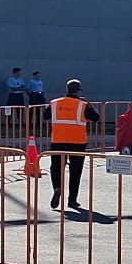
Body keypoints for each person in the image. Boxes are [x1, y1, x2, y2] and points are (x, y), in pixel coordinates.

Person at [47, 79, 101, 210]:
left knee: (56, 168)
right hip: (77, 142)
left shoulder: (55, 103)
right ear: (78, 91)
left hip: (58, 141)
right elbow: (96, 117)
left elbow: (45, 116)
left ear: (67, 90)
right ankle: (72, 200)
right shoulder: (82, 105)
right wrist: (88, 103)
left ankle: (57, 188)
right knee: (75, 171)